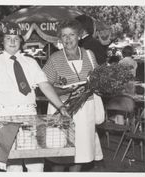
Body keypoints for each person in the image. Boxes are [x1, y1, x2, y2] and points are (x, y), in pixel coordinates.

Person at [0, 22, 70, 172]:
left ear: (21, 41)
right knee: (12, 162)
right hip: (5, 115)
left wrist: (60, 106)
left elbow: (45, 85)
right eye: (8, 38)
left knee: (35, 161)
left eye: (16, 38)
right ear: (2, 40)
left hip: (29, 114)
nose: (12, 42)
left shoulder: (31, 62)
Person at [42, 19, 104, 172]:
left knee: (81, 152)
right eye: (64, 36)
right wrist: (65, 91)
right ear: (60, 38)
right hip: (62, 110)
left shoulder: (89, 55)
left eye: (72, 35)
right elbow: (44, 86)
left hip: (85, 110)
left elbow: (97, 80)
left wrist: (97, 86)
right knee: (60, 153)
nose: (68, 39)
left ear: (79, 36)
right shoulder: (55, 59)